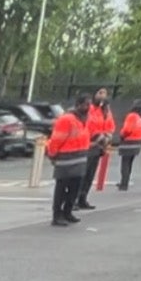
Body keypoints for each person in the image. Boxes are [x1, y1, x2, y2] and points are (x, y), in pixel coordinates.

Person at [46, 97, 91, 226]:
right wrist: (52, 154)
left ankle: (68, 212)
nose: (87, 107)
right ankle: (57, 215)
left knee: (74, 189)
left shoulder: (84, 120)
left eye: (89, 105)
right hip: (65, 160)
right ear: (78, 105)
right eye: (85, 105)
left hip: (80, 159)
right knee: (61, 189)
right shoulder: (66, 119)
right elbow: (56, 139)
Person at [80, 85, 114, 209]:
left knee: (90, 174)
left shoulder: (105, 111)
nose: (102, 96)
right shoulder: (89, 109)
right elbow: (87, 125)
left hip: (98, 146)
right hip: (88, 144)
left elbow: (110, 125)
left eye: (105, 93)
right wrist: (97, 136)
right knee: (82, 173)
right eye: (100, 93)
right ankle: (74, 199)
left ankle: (83, 198)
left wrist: (107, 136)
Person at [117, 101, 141, 189]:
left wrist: (122, 135)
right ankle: (126, 181)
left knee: (125, 163)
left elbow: (127, 129)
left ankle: (124, 183)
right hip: (137, 142)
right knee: (130, 163)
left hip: (128, 141)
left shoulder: (132, 116)